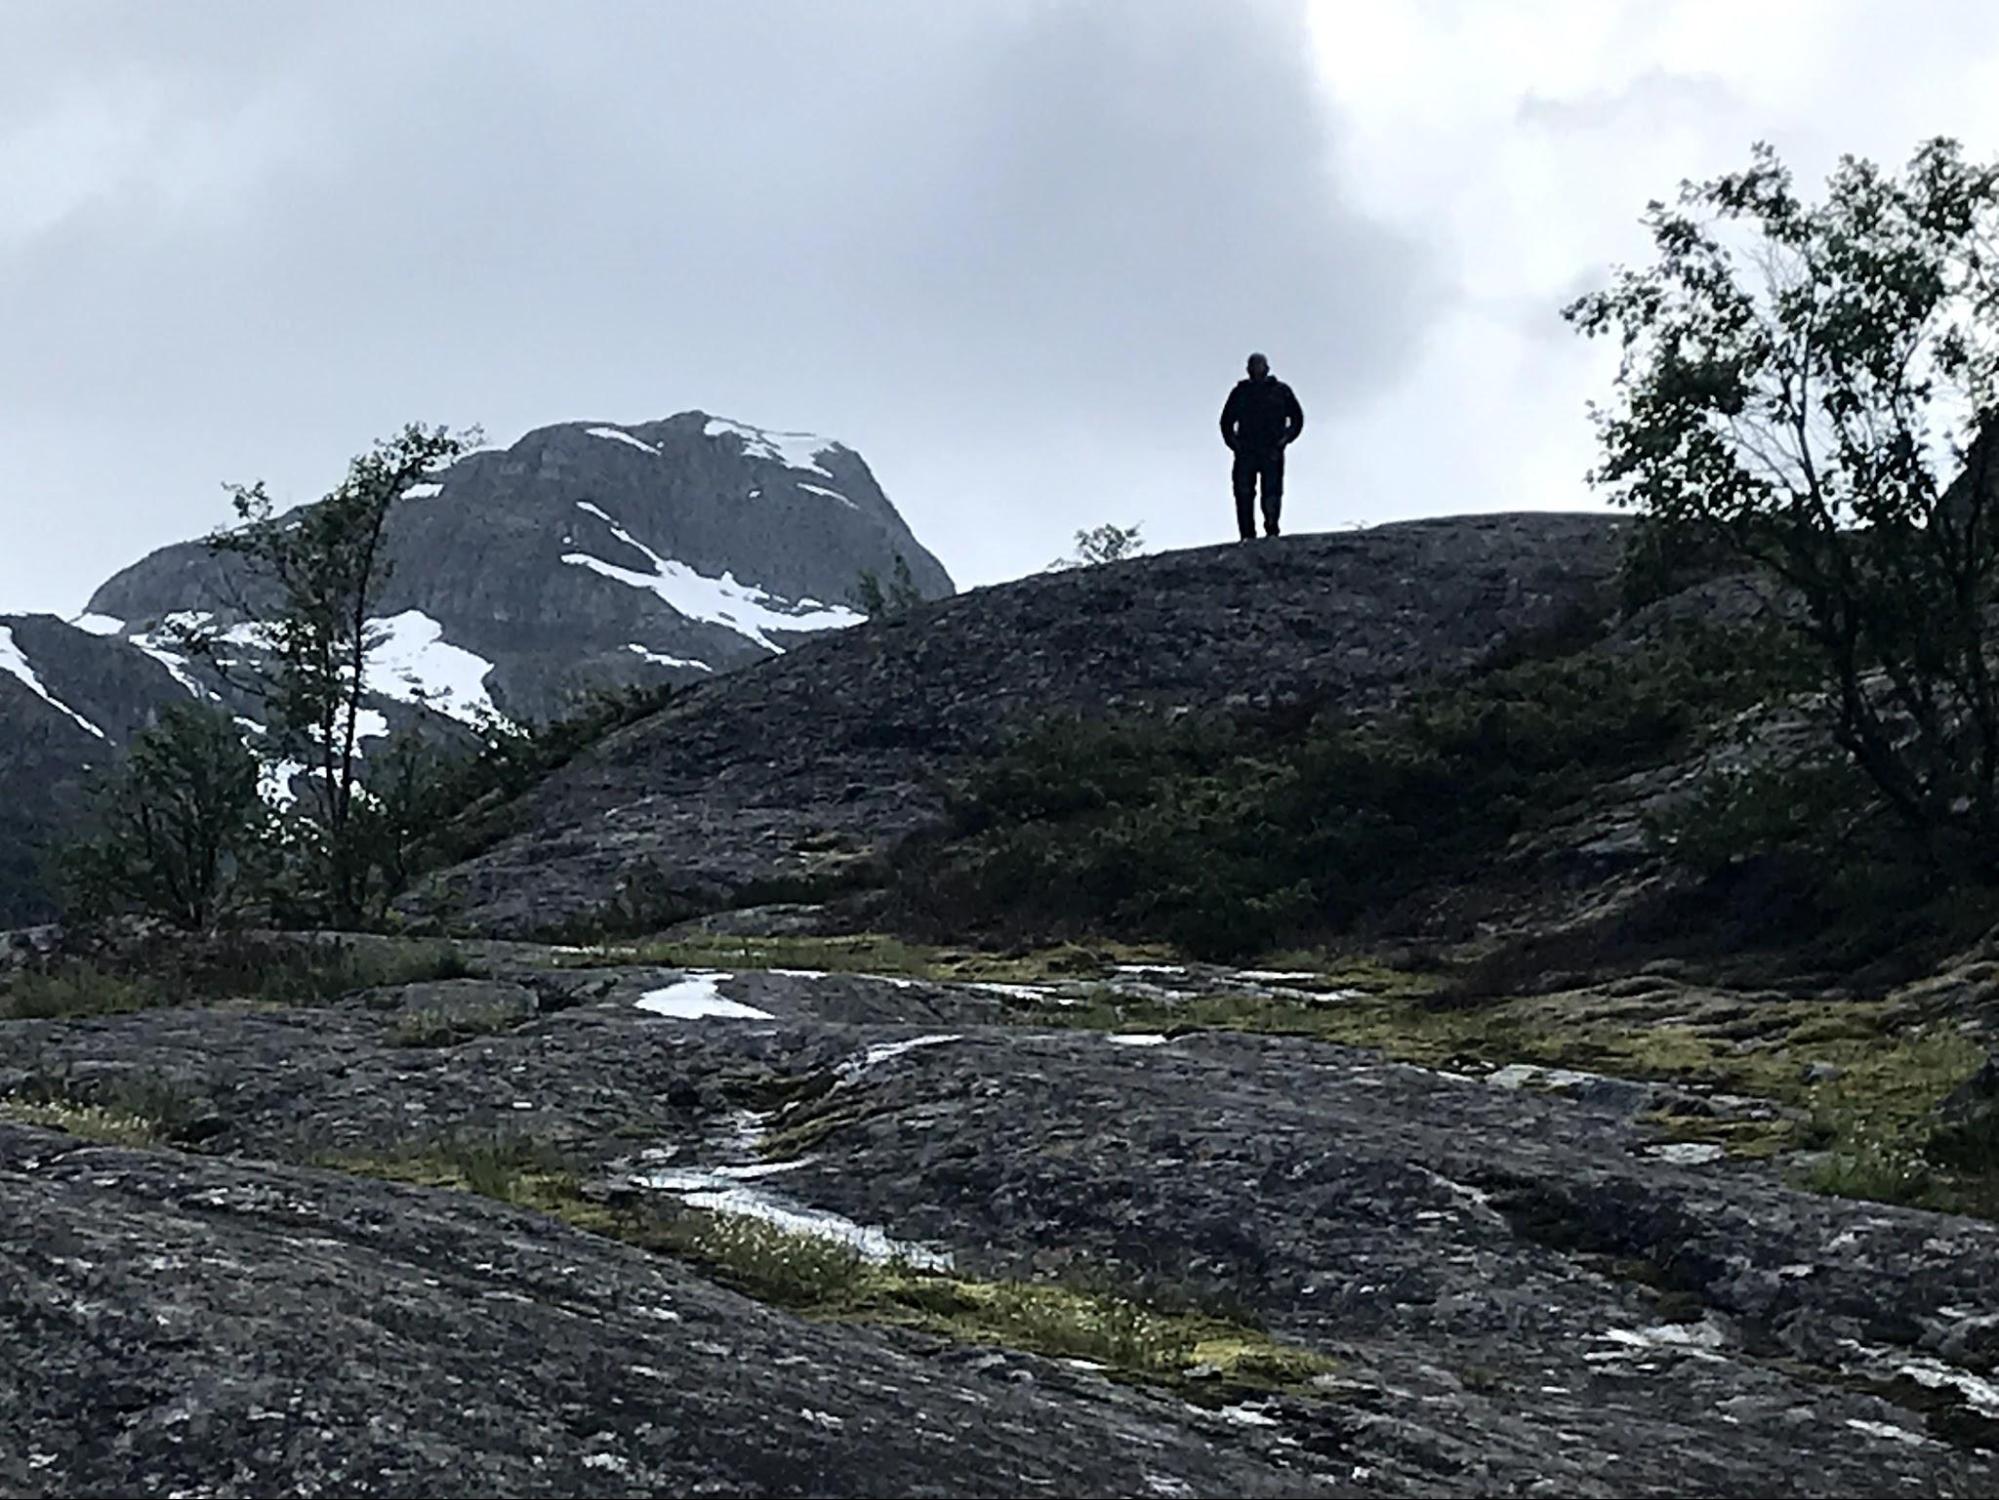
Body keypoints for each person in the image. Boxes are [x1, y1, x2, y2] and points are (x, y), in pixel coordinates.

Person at [1219, 352, 1304, 541]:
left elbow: (1297, 419)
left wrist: (1285, 439)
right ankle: (1247, 535)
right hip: (1246, 452)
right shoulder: (1240, 393)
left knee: (1272, 492)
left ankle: (1272, 529)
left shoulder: (1281, 391)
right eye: (1252, 366)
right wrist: (1235, 445)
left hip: (1272, 450)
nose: (1255, 369)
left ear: (1267, 368)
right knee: (1243, 493)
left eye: (1259, 365)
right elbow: (1226, 422)